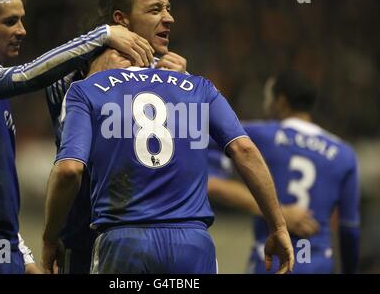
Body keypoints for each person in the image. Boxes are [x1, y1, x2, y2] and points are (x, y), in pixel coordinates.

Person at [0, 0, 153, 274]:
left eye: (22, 21)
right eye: (10, 22)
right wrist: (101, 36)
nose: (22, 30)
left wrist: (21, 255)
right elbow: (27, 75)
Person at [41, 63, 295, 273]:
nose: (168, 17)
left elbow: (68, 170)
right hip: (192, 243)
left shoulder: (86, 90)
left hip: (123, 241)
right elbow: (245, 150)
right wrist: (279, 226)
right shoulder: (198, 86)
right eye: (158, 9)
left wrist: (50, 237)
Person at [44, 0, 187, 274]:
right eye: (156, 9)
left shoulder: (173, 75)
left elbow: (186, 161)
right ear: (121, 20)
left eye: (168, 8)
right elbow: (70, 157)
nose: (169, 18)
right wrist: (94, 68)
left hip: (156, 236)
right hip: (84, 237)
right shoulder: (76, 73)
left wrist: (182, 91)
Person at [214, 71, 359, 274]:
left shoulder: (257, 135)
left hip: (271, 262)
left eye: (267, 97)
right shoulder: (345, 154)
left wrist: (277, 213)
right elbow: (349, 229)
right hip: (318, 264)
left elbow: (206, 169)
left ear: (280, 101)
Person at [207, 138, 321, 239]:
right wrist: (278, 214)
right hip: (318, 252)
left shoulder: (261, 132)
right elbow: (211, 184)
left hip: (268, 251)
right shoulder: (336, 149)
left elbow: (212, 184)